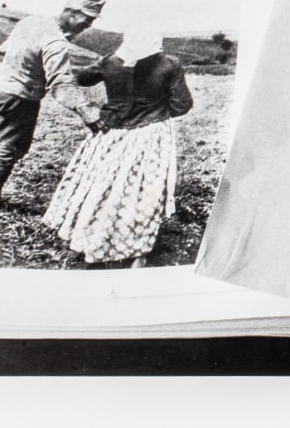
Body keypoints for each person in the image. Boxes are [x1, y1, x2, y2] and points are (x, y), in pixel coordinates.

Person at [43, 23, 193, 268]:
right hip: (150, 134)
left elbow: (76, 78)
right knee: (144, 192)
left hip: (110, 131)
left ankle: (91, 239)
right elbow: (182, 105)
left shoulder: (110, 62)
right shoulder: (169, 64)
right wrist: (157, 109)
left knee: (100, 186)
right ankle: (137, 251)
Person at [0, 0, 107, 212]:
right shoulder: (56, 42)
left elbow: (2, 50)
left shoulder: (30, 22)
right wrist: (84, 109)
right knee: (10, 147)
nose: (88, 25)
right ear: (73, 14)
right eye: (88, 19)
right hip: (19, 98)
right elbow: (60, 84)